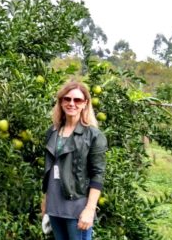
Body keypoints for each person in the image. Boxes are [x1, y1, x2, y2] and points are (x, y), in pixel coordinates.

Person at [41, 80, 107, 240]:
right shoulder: (53, 131)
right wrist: (45, 200)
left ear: (85, 103)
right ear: (61, 102)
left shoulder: (93, 136)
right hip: (54, 203)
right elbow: (50, 169)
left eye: (77, 100)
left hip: (77, 205)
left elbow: (97, 175)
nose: (72, 103)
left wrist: (90, 210)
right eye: (67, 99)